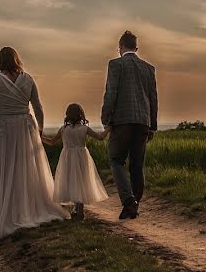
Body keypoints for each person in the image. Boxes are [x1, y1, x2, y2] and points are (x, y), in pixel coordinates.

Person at [0, 47, 67, 240]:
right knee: (26, 169)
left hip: (3, 129)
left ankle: (6, 213)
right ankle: (29, 209)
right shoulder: (28, 79)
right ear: (16, 60)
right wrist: (39, 129)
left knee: (2, 169)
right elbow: (38, 106)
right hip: (25, 127)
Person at [100, 30, 158, 219]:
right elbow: (153, 98)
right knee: (137, 165)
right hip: (143, 121)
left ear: (120, 47)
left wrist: (106, 119)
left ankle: (129, 201)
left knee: (116, 160)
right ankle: (133, 206)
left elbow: (111, 93)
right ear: (136, 48)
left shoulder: (115, 64)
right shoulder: (148, 68)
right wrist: (153, 126)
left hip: (122, 121)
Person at [42, 104, 110, 220]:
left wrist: (39, 137)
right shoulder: (84, 129)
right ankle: (79, 208)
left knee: (71, 180)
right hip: (81, 156)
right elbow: (100, 137)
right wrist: (109, 128)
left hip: (67, 157)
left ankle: (76, 208)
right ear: (81, 115)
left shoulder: (63, 129)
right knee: (81, 180)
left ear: (67, 115)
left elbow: (52, 142)